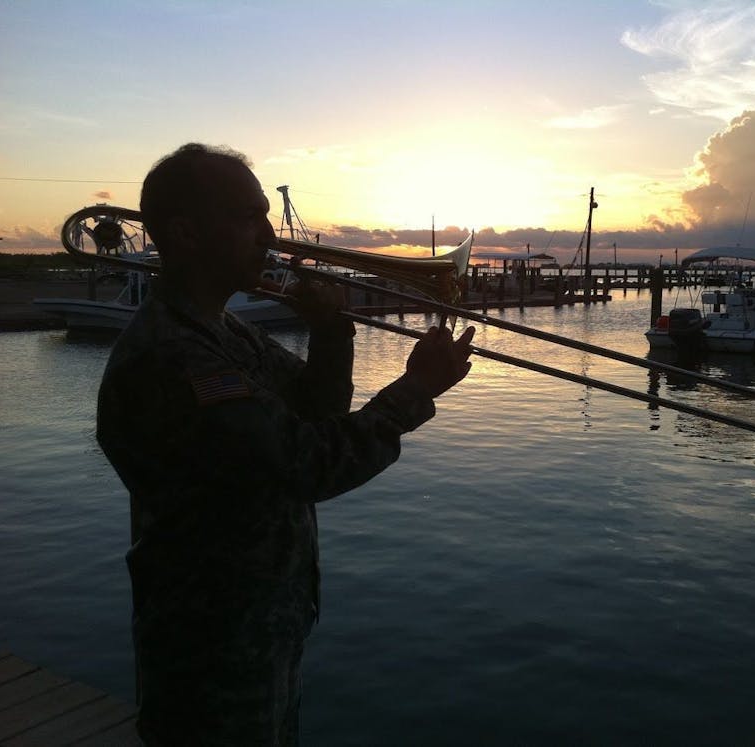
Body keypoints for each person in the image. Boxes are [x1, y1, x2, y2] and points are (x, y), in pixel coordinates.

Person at [96, 143, 475, 745]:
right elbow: (306, 464)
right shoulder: (174, 355)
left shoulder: (224, 332)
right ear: (188, 233)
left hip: (258, 626)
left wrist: (331, 333)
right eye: (249, 218)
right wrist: (414, 391)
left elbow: (317, 414)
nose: (270, 237)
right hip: (210, 644)